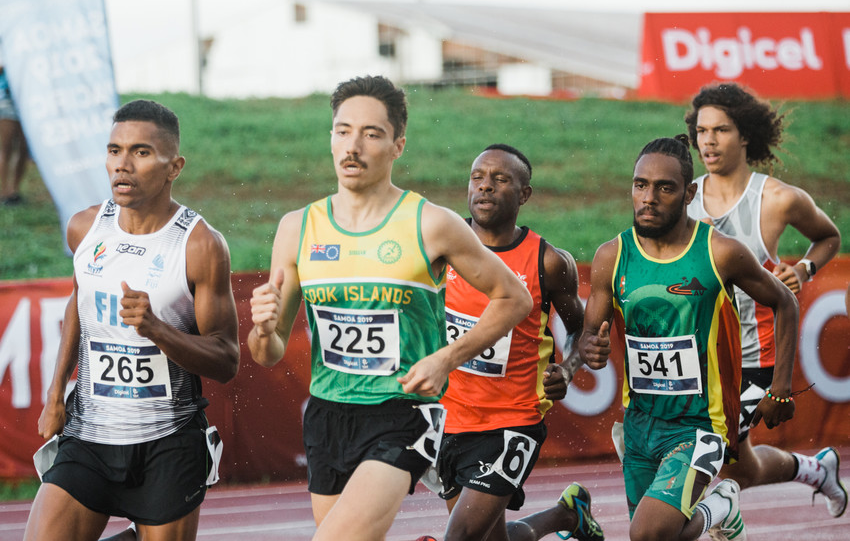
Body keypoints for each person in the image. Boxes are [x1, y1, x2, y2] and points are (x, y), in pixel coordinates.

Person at [248, 75, 532, 541]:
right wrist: (262, 329)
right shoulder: (297, 227)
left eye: (371, 134)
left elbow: (514, 298)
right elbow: (269, 351)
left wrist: (446, 358)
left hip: (402, 413)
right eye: (342, 131)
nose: (352, 146)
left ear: (398, 145)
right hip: (327, 414)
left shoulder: (431, 224)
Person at [24, 99, 241, 541]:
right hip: (90, 437)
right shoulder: (86, 229)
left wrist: (157, 329)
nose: (123, 164)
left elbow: (226, 359)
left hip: (169, 442)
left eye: (141, 152)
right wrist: (54, 395)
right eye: (114, 150)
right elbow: (78, 303)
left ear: (174, 166)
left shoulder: (200, 245)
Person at [579, 135, 799, 541]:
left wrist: (781, 387)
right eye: (640, 185)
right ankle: (723, 511)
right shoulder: (612, 256)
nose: (648, 198)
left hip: (700, 425)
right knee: (664, 537)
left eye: (665, 188)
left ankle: (720, 503)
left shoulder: (719, 252)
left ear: (689, 193)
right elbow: (589, 337)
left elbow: (785, 302)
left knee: (647, 533)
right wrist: (587, 350)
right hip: (640, 423)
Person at [685, 82, 846, 518]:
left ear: (746, 136)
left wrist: (804, 269)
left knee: (705, 457)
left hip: (756, 357)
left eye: (720, 130)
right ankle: (817, 470)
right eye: (701, 131)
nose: (708, 141)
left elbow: (829, 237)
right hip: (701, 357)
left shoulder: (777, 199)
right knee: (743, 469)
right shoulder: (682, 199)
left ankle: (718, 523)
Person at [434, 144, 602, 541]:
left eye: (500, 179)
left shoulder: (548, 262)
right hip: (449, 418)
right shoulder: (443, 248)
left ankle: (566, 516)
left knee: (460, 538)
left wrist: (568, 367)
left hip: (513, 422)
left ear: (524, 194)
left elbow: (581, 330)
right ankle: (566, 515)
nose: (485, 187)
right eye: (477, 177)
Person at [0, 59, 30, 205]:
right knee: (5, 148)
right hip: (6, 101)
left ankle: (14, 191)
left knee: (23, 149)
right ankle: (3, 192)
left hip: (27, 101)